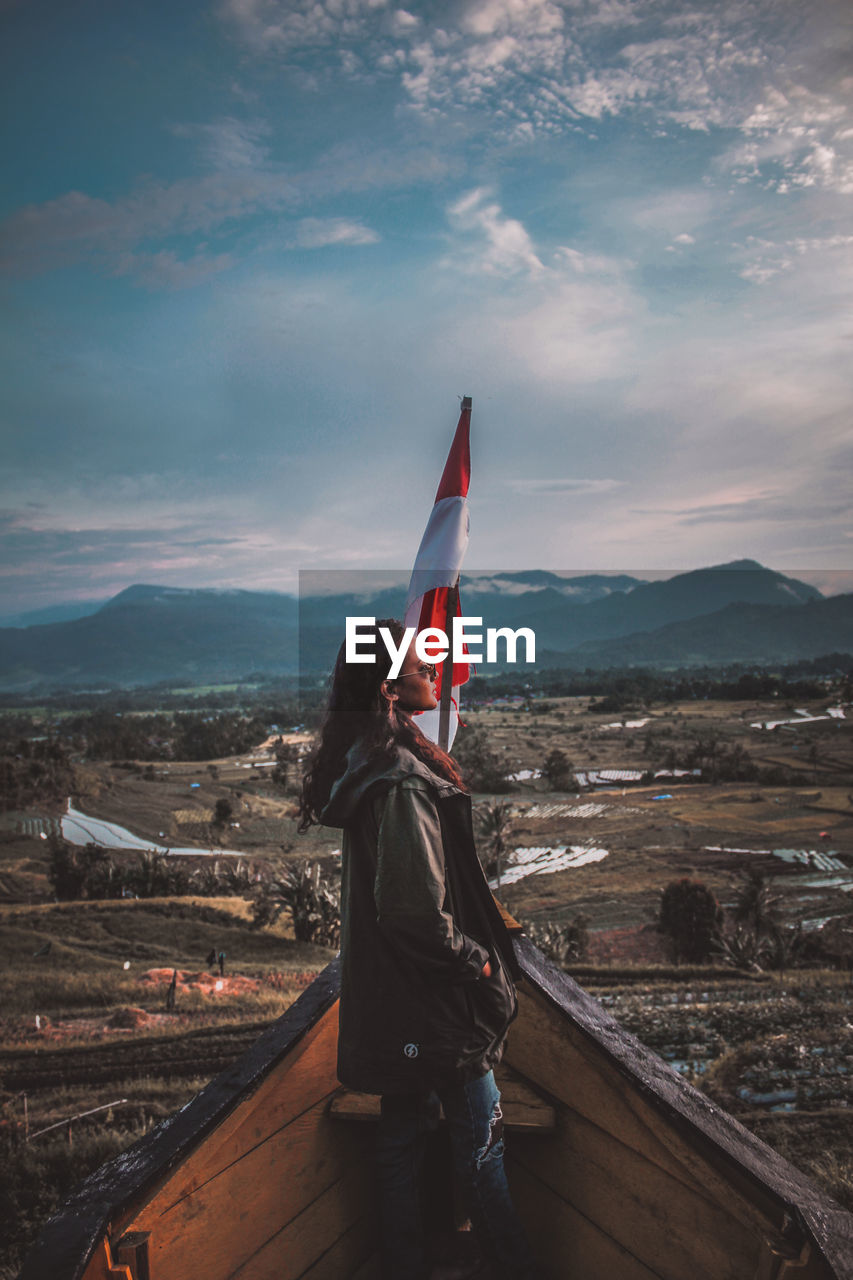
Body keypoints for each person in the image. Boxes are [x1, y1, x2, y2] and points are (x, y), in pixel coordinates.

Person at [298, 619, 541, 1280]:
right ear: (387, 686)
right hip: (433, 1001)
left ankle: (403, 1264)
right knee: (482, 1139)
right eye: (424, 666)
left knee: (401, 1133)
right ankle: (512, 1266)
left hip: (392, 1003)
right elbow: (411, 912)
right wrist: (479, 962)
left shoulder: (368, 763)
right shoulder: (402, 779)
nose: (436, 673)